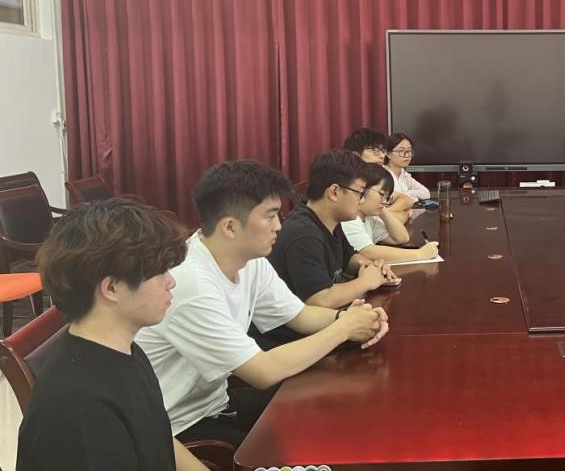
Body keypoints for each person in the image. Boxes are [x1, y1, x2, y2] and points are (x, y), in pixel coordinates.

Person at [14, 199, 303, 471]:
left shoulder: (125, 349)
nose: (171, 282)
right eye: (159, 272)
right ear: (111, 288)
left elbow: (159, 440)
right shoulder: (79, 404)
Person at [135, 160, 389, 448]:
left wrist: (354, 318)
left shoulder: (248, 260)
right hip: (179, 426)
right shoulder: (192, 283)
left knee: (332, 397)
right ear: (230, 227)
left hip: (217, 402)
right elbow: (263, 371)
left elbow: (300, 315)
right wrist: (343, 329)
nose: (279, 225)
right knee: (295, 451)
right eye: (270, 216)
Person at [268, 150, 398, 311]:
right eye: (360, 193)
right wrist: (366, 281)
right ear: (334, 192)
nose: (362, 200)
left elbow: (348, 258)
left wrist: (371, 267)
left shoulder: (330, 219)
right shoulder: (303, 233)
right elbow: (320, 299)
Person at [342, 163, 439, 264]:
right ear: (362, 189)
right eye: (381, 194)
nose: (385, 201)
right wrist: (419, 254)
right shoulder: (349, 218)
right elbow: (367, 252)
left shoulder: (368, 218)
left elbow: (402, 238)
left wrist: (382, 209)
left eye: (387, 197)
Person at [342, 127, 415, 216]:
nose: (382, 156)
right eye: (375, 151)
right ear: (355, 154)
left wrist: (386, 213)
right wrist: (398, 214)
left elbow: (406, 200)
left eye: (382, 151)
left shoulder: (375, 180)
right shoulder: (347, 183)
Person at [384, 132, 431, 204]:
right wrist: (413, 196)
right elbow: (390, 200)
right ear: (388, 154)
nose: (406, 155)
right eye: (401, 151)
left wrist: (406, 193)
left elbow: (426, 193)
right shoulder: (382, 174)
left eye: (409, 151)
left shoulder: (404, 174)